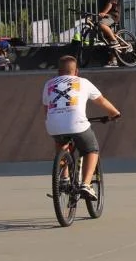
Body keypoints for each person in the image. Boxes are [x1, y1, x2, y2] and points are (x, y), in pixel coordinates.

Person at [42, 54, 121, 201]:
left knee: (61, 143)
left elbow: (46, 110)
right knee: (91, 149)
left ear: (58, 72)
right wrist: (115, 113)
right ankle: (86, 184)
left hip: (53, 124)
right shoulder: (83, 82)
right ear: (76, 71)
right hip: (76, 123)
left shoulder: (49, 84)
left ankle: (64, 178)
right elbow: (101, 101)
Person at [95, 0, 122, 67]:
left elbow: (111, 3)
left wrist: (103, 13)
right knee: (107, 39)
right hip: (105, 15)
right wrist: (97, 14)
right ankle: (113, 60)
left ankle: (115, 40)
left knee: (101, 24)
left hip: (113, 15)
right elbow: (101, 3)